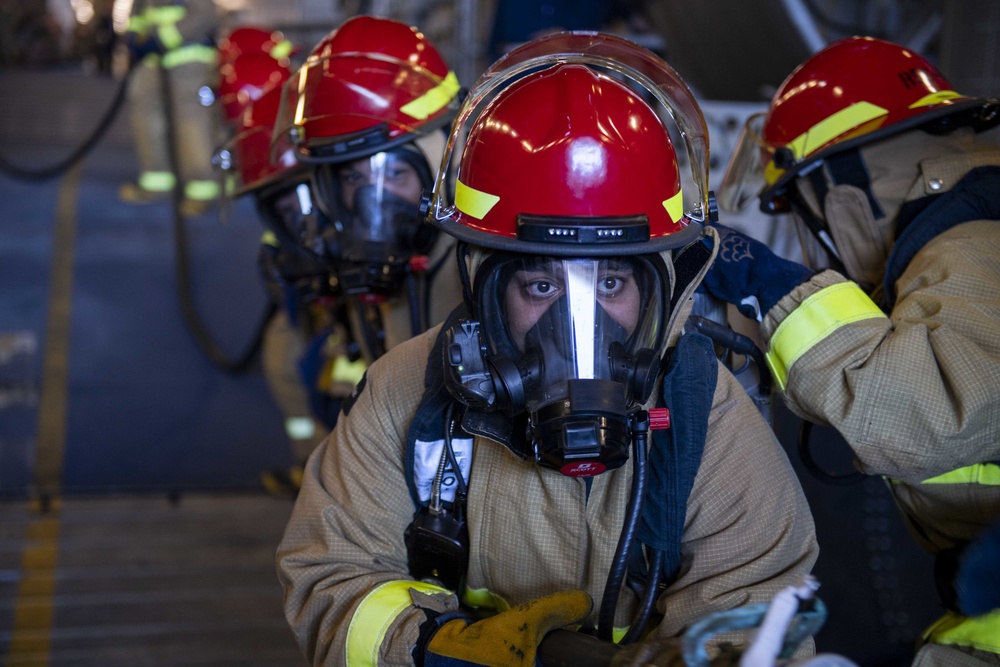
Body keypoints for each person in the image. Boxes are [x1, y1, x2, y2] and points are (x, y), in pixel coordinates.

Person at [277, 31, 818, 666]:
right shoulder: (406, 394)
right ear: (482, 280)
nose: (577, 325)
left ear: (665, 286)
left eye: (611, 281)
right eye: (540, 284)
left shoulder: (706, 418)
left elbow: (758, 625)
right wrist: (438, 652)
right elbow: (329, 581)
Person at [708, 36, 1000, 666]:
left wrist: (775, 288)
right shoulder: (959, 241)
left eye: (804, 213)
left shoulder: (971, 244)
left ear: (843, 193)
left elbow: (921, 415)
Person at [120, 0, 220, 217]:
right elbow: (139, 15)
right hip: (152, 62)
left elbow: (204, 15)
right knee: (146, 119)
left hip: (188, 61)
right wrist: (134, 37)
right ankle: (156, 182)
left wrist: (162, 38)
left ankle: (201, 191)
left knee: (190, 124)